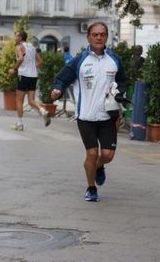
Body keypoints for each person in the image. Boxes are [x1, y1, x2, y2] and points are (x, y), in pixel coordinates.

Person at [51, 21, 126, 202]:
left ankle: (99, 166)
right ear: (88, 38)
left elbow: (122, 81)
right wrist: (57, 90)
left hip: (108, 116)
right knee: (92, 153)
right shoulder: (80, 61)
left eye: (102, 34)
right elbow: (62, 79)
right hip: (86, 116)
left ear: (107, 37)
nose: (99, 37)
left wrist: (119, 94)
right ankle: (91, 187)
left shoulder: (115, 60)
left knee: (107, 155)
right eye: (95, 34)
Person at [8, 30, 50, 131]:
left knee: (19, 100)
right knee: (31, 100)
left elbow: (21, 59)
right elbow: (40, 61)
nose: (14, 38)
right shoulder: (31, 47)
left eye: (16, 36)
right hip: (33, 76)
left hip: (23, 75)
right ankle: (44, 112)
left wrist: (14, 69)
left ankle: (20, 124)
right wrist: (32, 68)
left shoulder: (19, 47)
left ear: (20, 38)